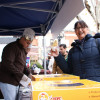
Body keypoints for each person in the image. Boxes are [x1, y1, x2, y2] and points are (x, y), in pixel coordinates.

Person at [0, 28, 35, 100]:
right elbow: (8, 64)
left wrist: (29, 73)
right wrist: (21, 75)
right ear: (23, 38)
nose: (28, 45)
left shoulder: (22, 50)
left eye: (29, 44)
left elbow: (23, 65)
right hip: (8, 81)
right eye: (27, 43)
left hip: (16, 81)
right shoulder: (11, 47)